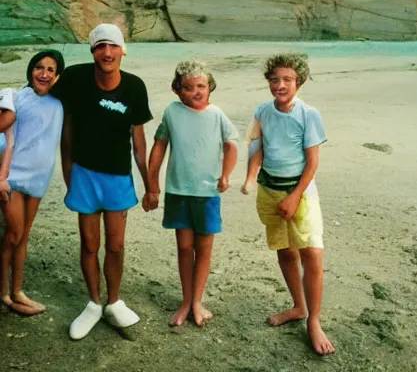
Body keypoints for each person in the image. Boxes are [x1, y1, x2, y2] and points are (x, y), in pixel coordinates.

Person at [51, 23, 152, 340]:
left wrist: (151, 185)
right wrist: (68, 172)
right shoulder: (76, 79)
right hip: (84, 173)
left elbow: (139, 143)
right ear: (93, 50)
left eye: (112, 46)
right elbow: (60, 118)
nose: (106, 52)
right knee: (90, 244)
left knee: (117, 245)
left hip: (118, 177)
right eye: (99, 46)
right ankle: (94, 303)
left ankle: (114, 301)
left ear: (123, 50)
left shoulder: (134, 86)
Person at [240, 52, 335, 355]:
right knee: (285, 252)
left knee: (312, 255)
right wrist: (250, 177)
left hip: (301, 192)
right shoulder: (262, 112)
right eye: (274, 79)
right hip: (270, 191)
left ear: (299, 82)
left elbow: (312, 163)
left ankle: (314, 321)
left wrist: (295, 197)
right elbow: (257, 149)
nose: (280, 85)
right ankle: (298, 307)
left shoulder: (309, 114)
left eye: (287, 80)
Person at [144, 60, 238, 327]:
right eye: (188, 87)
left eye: (201, 86)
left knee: (203, 249)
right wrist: (153, 185)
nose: (196, 92)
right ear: (177, 90)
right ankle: (186, 301)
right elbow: (159, 147)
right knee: (185, 248)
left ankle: (197, 301)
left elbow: (231, 145)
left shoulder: (217, 114)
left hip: (207, 193)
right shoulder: (172, 112)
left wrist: (226, 175)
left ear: (210, 88)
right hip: (178, 191)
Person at [0, 50, 65, 316]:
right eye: (39, 67)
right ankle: (3, 293)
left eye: (51, 70)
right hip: (14, 177)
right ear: (30, 70)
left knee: (23, 237)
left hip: (39, 180)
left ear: (57, 76)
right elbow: (4, 134)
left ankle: (17, 291)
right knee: (13, 234)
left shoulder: (60, 104)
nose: (44, 74)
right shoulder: (17, 98)